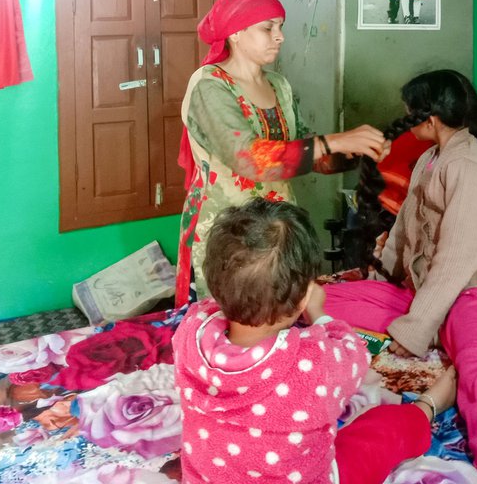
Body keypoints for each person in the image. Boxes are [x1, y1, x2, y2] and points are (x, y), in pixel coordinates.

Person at [323, 70, 477, 484]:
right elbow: (406, 228)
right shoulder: (431, 159)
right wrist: (385, 273)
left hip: (476, 289)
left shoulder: (472, 169)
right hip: (429, 290)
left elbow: (459, 258)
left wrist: (414, 329)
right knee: (327, 298)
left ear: (431, 117)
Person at [173, 197, 457, 484]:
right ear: (301, 299)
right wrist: (318, 313)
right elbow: (356, 356)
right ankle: (428, 406)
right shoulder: (314, 360)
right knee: (377, 432)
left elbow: (215, 304)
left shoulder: (190, 330)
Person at [176, 0, 388, 307]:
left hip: (278, 228)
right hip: (227, 230)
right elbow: (247, 158)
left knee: (277, 314)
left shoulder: (279, 86)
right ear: (235, 33)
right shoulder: (210, 86)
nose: (280, 37)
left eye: (281, 27)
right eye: (268, 28)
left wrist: (357, 153)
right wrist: (334, 141)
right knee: (230, 321)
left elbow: (304, 153)